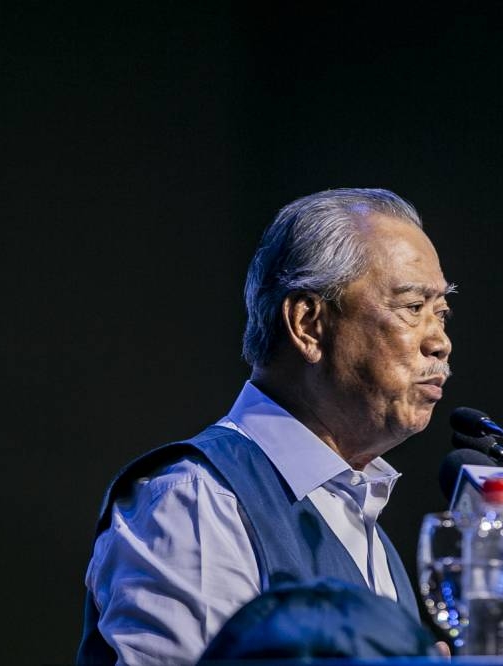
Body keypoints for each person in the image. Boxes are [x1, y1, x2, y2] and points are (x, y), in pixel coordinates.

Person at [77, 188, 454, 665]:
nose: (439, 342)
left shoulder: (360, 513)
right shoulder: (198, 499)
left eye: (442, 313)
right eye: (413, 307)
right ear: (308, 323)